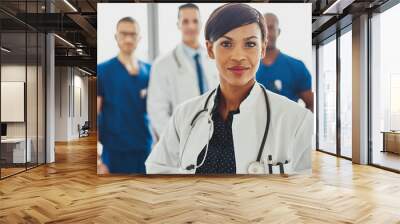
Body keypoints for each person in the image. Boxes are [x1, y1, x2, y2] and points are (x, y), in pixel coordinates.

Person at [145, 3, 313, 175]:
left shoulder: (298, 121)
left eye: (250, 44)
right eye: (226, 44)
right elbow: (157, 168)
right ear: (210, 49)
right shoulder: (184, 115)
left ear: (262, 48)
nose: (238, 56)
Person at [147, 3, 219, 139]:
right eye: (185, 21)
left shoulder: (214, 60)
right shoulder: (162, 65)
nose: (191, 26)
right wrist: (177, 140)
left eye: (195, 21)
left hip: (216, 138)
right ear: (178, 24)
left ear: (201, 24)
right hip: (182, 141)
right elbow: (157, 111)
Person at [97, 17, 152, 174]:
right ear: (116, 37)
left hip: (144, 149)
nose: (128, 39)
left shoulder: (150, 71)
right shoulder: (103, 71)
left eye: (133, 34)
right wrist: (97, 159)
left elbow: (157, 111)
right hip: (114, 153)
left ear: (139, 38)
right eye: (123, 34)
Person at [256, 13, 314, 112]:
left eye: (270, 28)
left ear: (278, 32)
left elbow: (312, 104)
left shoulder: (296, 67)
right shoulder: (246, 69)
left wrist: (301, 125)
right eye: (263, 29)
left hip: (288, 127)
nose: (267, 33)